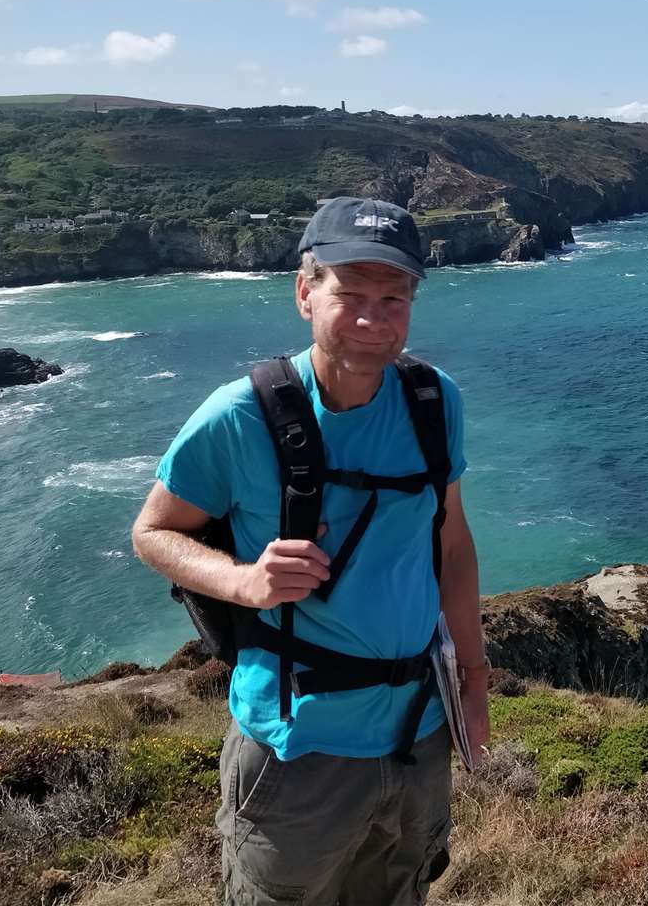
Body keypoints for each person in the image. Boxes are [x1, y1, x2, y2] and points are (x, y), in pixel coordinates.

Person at [132, 197, 489, 906]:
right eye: (349, 295)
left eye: (394, 297)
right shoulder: (241, 415)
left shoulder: (432, 400)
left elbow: (452, 545)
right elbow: (152, 532)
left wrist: (473, 690)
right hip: (299, 750)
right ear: (304, 292)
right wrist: (246, 582)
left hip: (418, 734)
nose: (372, 319)